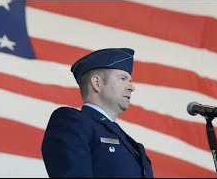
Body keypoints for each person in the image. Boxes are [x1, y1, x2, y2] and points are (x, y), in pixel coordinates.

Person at [41, 48, 154, 178]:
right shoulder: (72, 123)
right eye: (123, 78)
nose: (131, 87)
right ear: (97, 83)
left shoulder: (132, 145)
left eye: (130, 81)